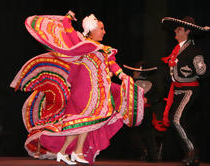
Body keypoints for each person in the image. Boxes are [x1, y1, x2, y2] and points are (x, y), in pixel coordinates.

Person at [10, 11, 144, 165]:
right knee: (84, 119)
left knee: (86, 122)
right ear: (92, 29)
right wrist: (67, 18)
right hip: (83, 90)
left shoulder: (106, 49)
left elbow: (113, 65)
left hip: (98, 90)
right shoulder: (82, 44)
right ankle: (69, 151)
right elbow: (68, 30)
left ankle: (72, 152)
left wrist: (122, 76)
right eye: (101, 28)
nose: (104, 31)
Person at [159, 16, 210, 166]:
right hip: (177, 91)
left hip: (189, 90)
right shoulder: (177, 50)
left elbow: (203, 72)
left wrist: (199, 67)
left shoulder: (193, 51)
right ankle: (191, 155)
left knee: (176, 119)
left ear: (187, 31)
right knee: (176, 122)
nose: (175, 30)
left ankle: (192, 151)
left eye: (179, 29)